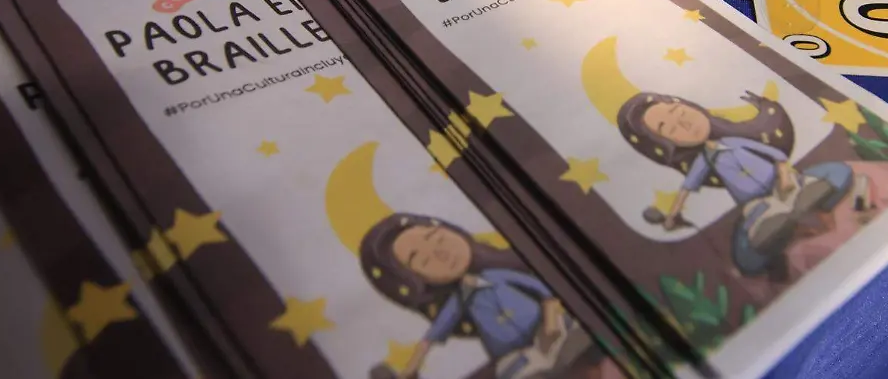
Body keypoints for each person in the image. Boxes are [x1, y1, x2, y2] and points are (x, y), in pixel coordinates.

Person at [616, 91, 856, 276]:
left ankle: (803, 205)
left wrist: (784, 175)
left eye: (679, 112)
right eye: (668, 128)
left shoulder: (734, 141)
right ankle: (776, 225)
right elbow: (686, 189)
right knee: (746, 253)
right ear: (666, 143)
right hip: (758, 204)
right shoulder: (703, 161)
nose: (684, 124)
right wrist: (671, 217)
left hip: (785, 183)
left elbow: (776, 155)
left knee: (835, 173)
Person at [363, 213, 607, 379]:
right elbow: (432, 337)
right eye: (422, 260)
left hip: (554, 332)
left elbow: (544, 292)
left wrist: (551, 321)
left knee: (583, 344)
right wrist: (410, 370)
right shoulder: (459, 300)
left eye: (436, 238)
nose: (440, 253)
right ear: (416, 280)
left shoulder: (498, 275)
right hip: (518, 357)